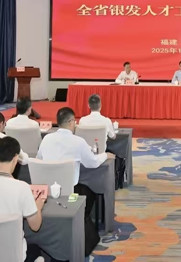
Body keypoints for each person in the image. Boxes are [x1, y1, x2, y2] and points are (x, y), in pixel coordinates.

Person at [37, 107, 114, 255]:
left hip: (48, 191)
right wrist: (105, 155)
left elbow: (40, 160)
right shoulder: (78, 142)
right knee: (90, 191)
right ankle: (82, 226)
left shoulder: (46, 139)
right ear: (71, 122)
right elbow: (92, 162)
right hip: (70, 192)